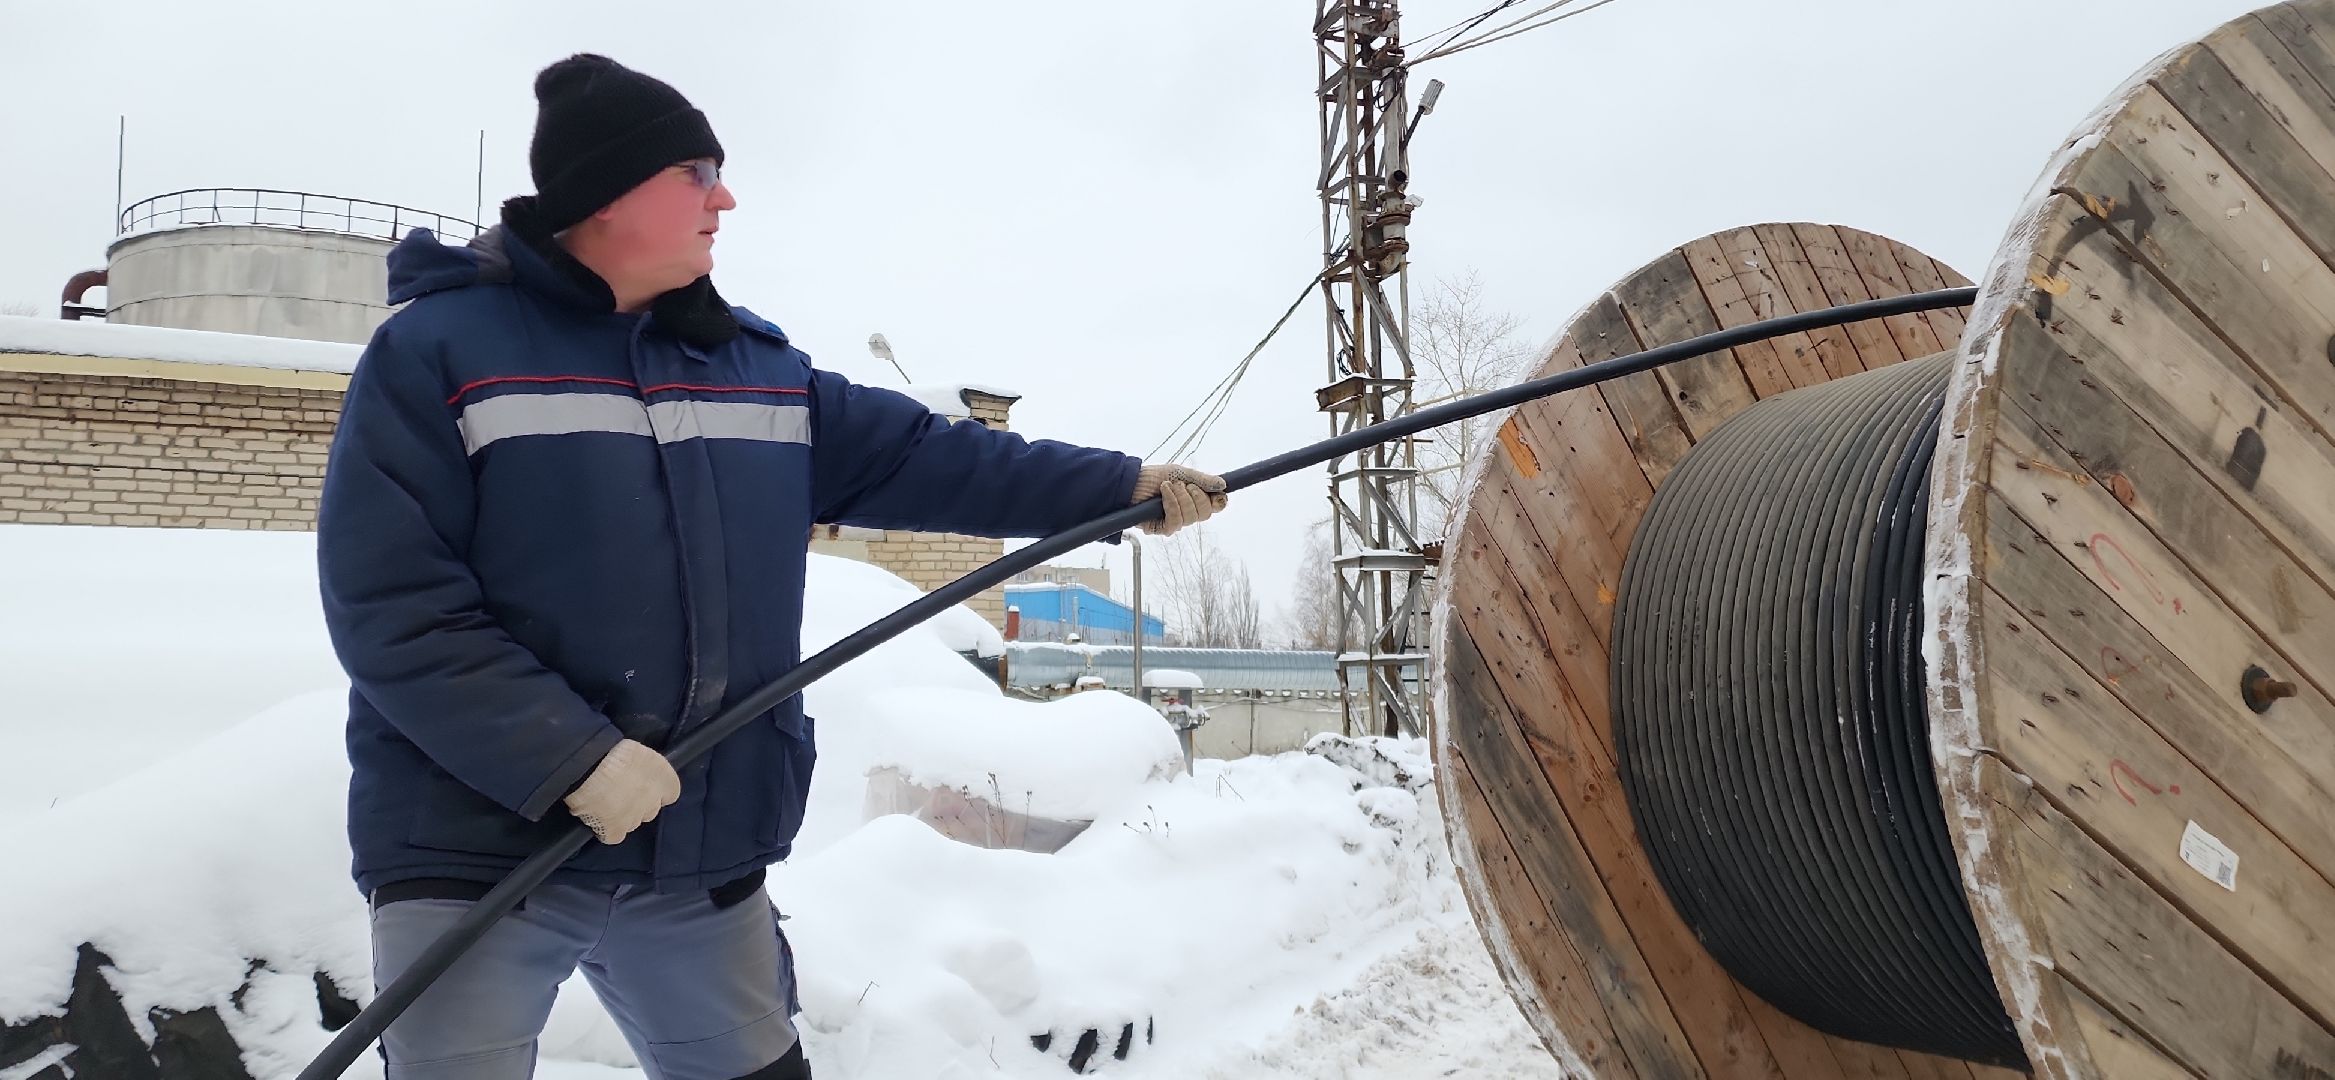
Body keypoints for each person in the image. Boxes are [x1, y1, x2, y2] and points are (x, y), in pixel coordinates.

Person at [315, 53, 1227, 1080]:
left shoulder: (754, 371)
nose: (727, 198)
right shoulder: (440, 354)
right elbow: (394, 606)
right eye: (699, 174)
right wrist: (568, 759)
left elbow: (942, 460)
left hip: (694, 842)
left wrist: (1115, 488)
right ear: (607, 194)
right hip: (480, 846)